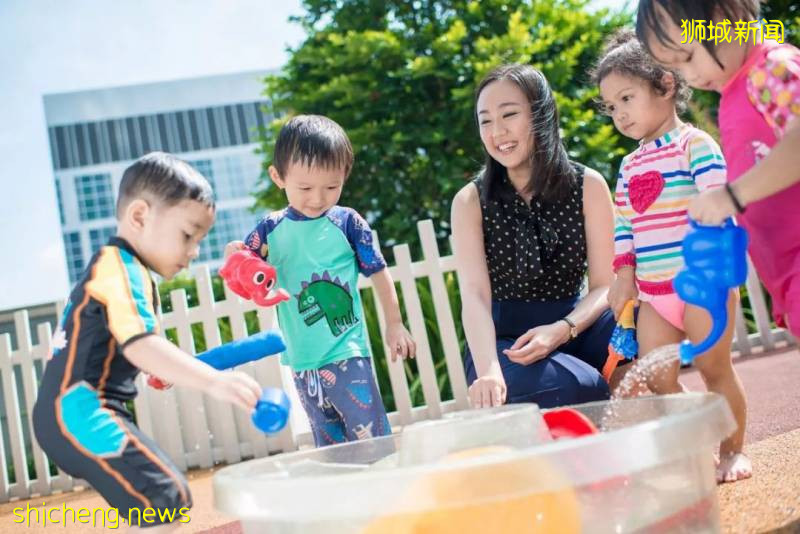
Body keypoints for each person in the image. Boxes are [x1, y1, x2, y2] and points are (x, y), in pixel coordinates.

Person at [32, 152, 263, 531]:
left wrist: (154, 366)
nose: (194, 252)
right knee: (165, 497)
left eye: (200, 240)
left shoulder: (121, 268)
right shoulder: (120, 267)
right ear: (139, 216)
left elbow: (125, 346)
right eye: (188, 235)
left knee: (155, 502)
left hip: (75, 412)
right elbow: (140, 344)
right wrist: (214, 380)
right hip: (79, 413)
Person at [595, 29, 750, 483]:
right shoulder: (628, 165)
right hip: (655, 293)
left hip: (702, 283)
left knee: (714, 368)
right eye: (611, 107)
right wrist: (623, 272)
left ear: (664, 85)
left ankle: (733, 451)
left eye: (626, 98)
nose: (619, 114)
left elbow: (721, 201)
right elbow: (624, 224)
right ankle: (700, 424)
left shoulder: (694, 145)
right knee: (657, 376)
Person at [225, 114, 416, 448]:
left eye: (331, 187)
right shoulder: (269, 230)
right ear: (278, 177)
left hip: (347, 352)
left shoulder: (348, 223)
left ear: (344, 176)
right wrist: (234, 256)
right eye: (305, 187)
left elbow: (379, 272)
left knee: (371, 438)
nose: (317, 198)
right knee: (330, 446)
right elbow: (243, 270)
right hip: (301, 361)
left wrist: (395, 323)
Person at [450, 63, 617, 411]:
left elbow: (605, 285)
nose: (497, 131)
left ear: (540, 115)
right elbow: (475, 297)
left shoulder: (588, 185)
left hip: (576, 323)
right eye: (485, 120)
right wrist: (491, 371)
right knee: (580, 388)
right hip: (506, 343)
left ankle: (671, 428)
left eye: (509, 114)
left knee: (643, 327)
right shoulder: (470, 201)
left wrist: (562, 328)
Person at [636, 0, 800, 341]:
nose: (690, 76)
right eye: (677, 68)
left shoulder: (771, 68)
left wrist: (733, 195)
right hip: (785, 268)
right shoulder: (735, 93)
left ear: (727, 16)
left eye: (689, 56)